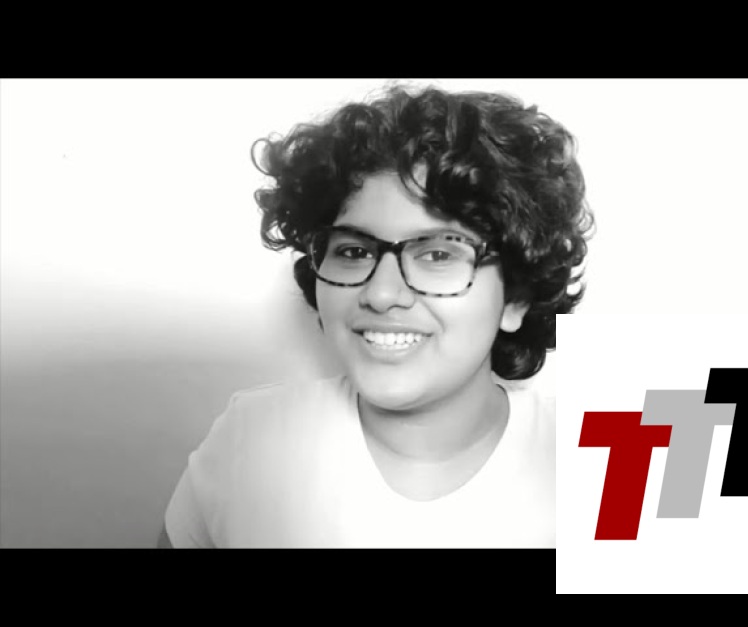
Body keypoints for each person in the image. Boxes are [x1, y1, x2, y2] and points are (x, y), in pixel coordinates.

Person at [159, 82, 592, 548]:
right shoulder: (250, 440)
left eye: (439, 254)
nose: (382, 294)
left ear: (516, 297)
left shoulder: (605, 459)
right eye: (354, 251)